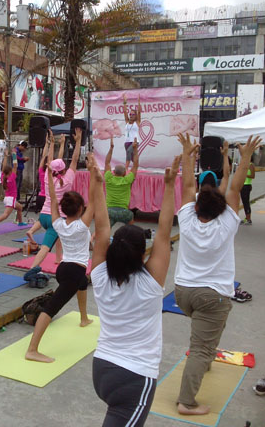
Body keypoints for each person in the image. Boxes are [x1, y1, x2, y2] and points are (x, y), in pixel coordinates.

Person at [173, 133, 261, 416]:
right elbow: (234, 188)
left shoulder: (186, 218)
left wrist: (187, 153)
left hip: (182, 292)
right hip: (212, 296)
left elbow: (187, 183)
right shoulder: (227, 222)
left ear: (197, 206)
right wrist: (244, 156)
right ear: (222, 209)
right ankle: (187, 402)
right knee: (200, 346)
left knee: (208, 335)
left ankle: (205, 359)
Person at [91, 151, 180, 427]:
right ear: (143, 255)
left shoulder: (100, 275)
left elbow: (103, 225)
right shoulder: (151, 283)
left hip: (102, 369)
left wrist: (96, 184)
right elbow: (164, 231)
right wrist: (168, 186)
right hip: (134, 377)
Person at [24, 147, 96, 363]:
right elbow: (93, 197)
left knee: (83, 283)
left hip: (65, 269)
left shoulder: (58, 223)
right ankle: (32, 349)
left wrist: (48, 174)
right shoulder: (83, 226)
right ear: (81, 209)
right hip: (73, 270)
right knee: (51, 307)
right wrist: (93, 171)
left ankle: (84, 318)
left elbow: (53, 198)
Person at [27, 129, 82, 273]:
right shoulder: (68, 180)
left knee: (58, 237)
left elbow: (49, 161)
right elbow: (75, 160)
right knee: (45, 247)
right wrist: (78, 142)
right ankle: (32, 268)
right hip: (55, 218)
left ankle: (58, 258)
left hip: (43, 216)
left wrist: (51, 142)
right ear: (64, 169)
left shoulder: (47, 177)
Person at [104, 136, 139, 228]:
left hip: (109, 211)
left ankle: (93, 238)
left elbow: (107, 163)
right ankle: (130, 238)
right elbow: (135, 165)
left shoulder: (108, 178)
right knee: (131, 228)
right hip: (124, 212)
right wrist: (135, 150)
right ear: (124, 173)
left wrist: (111, 148)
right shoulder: (127, 180)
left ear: (114, 172)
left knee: (103, 230)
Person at [0, 148, 26, 230]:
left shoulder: (3, 177)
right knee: (6, 215)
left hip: (7, 198)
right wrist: (14, 154)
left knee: (20, 207)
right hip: (11, 199)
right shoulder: (11, 177)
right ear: (10, 172)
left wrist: (6, 156)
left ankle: (20, 222)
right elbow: (15, 165)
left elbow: (3, 166)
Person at [122, 95, 141, 171]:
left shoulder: (137, 122)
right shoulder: (127, 122)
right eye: (130, 114)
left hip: (134, 142)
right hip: (126, 142)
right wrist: (125, 102)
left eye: (133, 114)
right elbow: (124, 112)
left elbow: (139, 112)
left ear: (135, 115)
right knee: (132, 156)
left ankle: (125, 168)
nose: (131, 115)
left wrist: (139, 102)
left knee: (129, 151)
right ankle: (135, 166)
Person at [240, 155, 256, 225]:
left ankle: (249, 219)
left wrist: (244, 175)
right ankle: (247, 217)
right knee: (244, 202)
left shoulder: (251, 165)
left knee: (246, 203)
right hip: (243, 185)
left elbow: (253, 176)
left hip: (246, 186)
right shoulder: (246, 165)